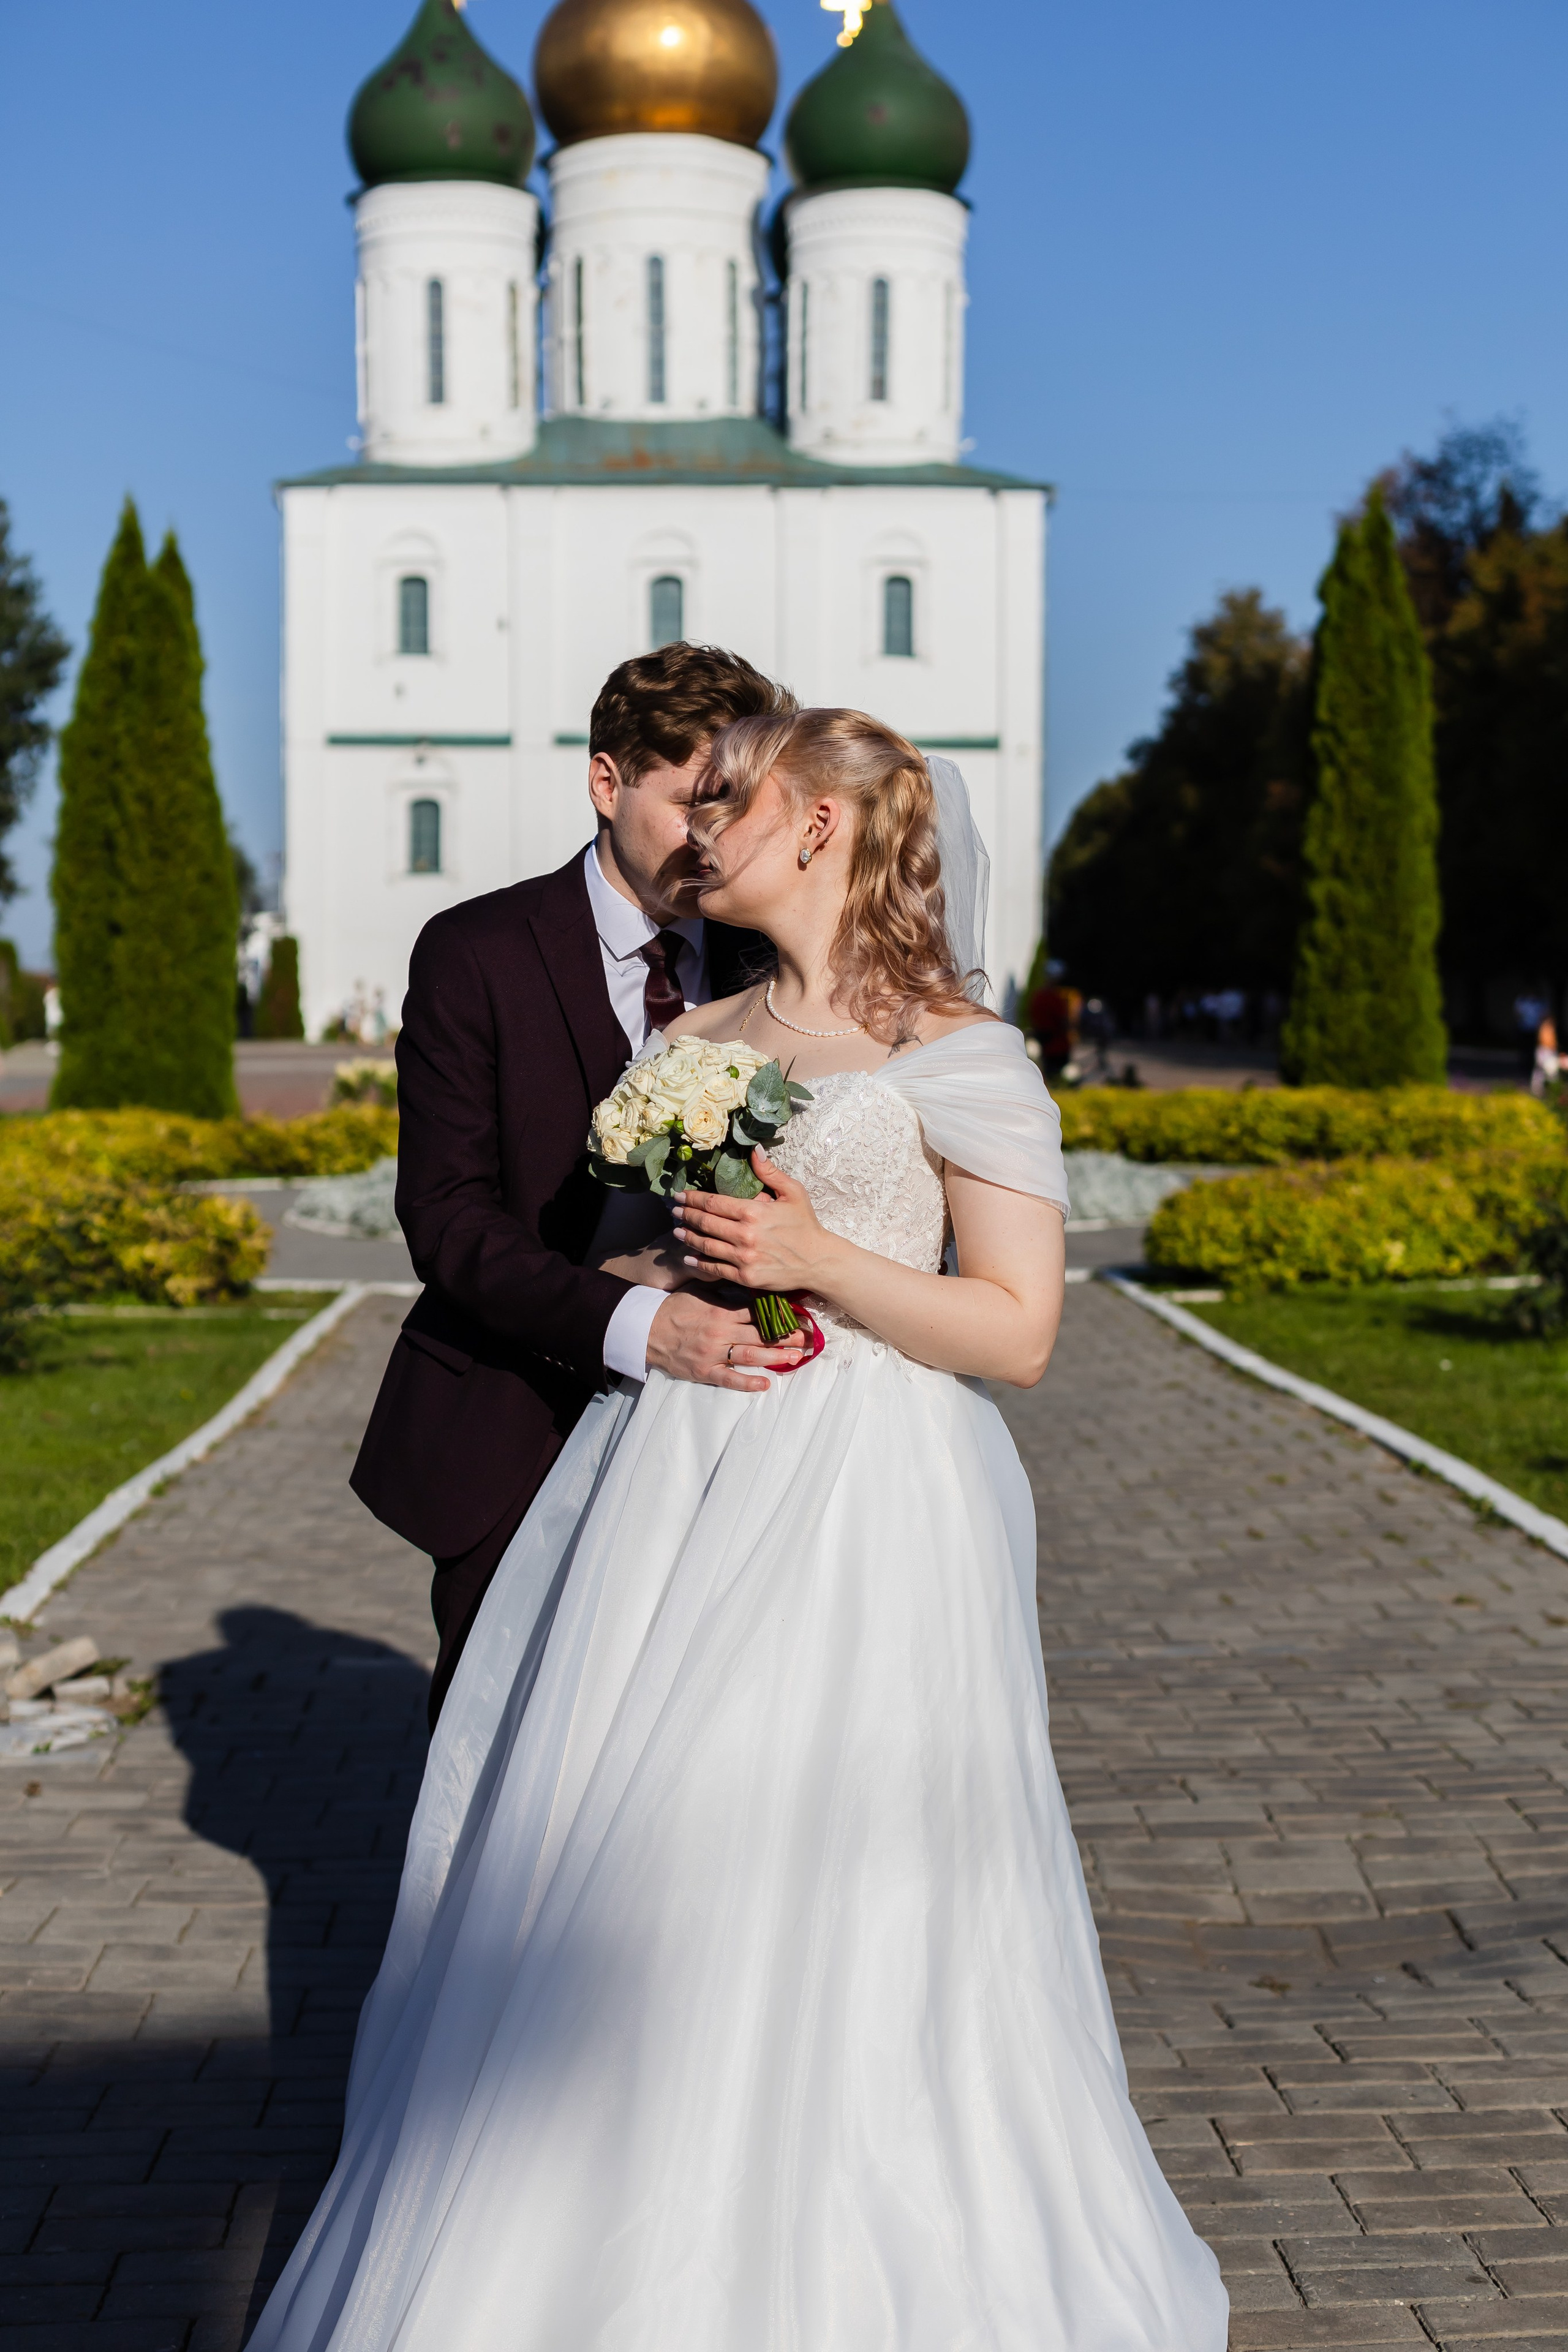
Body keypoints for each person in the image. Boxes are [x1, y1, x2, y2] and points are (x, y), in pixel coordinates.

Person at [252, 707, 1228, 2350]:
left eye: (747, 794)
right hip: (668, 1483)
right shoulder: (695, 1031)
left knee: (826, 1873)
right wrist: (657, 1275)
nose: (710, 816)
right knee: (625, 1857)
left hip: (868, 1509)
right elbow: (631, 1256)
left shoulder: (956, 1047)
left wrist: (825, 1261)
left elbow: (1021, 1333)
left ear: (830, 830)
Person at [351, 643, 804, 1729]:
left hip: (741, 1435)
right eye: (694, 800)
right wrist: (640, 1326)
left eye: (738, 807)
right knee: (498, 1748)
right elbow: (448, 1221)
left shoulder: (771, 955)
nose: (716, 837)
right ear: (606, 782)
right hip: (520, 1420)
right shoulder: (475, 952)